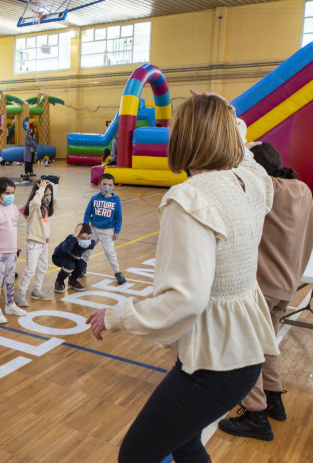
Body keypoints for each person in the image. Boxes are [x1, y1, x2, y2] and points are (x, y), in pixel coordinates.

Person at [86, 92, 279, 463]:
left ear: (184, 138)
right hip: (242, 353)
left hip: (217, 362)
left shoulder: (189, 198)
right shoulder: (251, 181)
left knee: (137, 453)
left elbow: (186, 298)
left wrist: (118, 316)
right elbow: (248, 154)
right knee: (185, 442)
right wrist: (231, 118)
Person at [218, 142, 313, 441]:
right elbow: (310, 237)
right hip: (286, 285)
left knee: (245, 351)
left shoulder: (259, 190)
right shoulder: (302, 190)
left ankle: (256, 414)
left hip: (259, 286)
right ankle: (273, 398)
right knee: (266, 345)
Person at [0, 177, 26, 323]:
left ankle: (10, 305)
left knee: (9, 279)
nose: (11, 196)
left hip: (11, 251)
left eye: (12, 192)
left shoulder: (13, 208)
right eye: (8, 193)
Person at [82, 173, 126, 284]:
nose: (107, 187)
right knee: (87, 249)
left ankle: (117, 272)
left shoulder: (116, 200)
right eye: (104, 184)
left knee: (110, 252)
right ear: (99, 185)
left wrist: (117, 231)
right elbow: (87, 213)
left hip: (107, 231)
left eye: (109, 185)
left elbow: (118, 217)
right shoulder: (94, 199)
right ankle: (82, 267)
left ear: (113, 186)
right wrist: (86, 227)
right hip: (93, 229)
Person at [16, 179, 54, 307]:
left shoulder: (45, 209)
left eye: (49, 195)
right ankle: (21, 293)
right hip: (33, 243)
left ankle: (36, 290)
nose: (47, 197)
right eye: (45, 194)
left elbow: (45, 225)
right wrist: (41, 189)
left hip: (43, 243)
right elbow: (36, 201)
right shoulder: (34, 206)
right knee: (30, 269)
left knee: (42, 268)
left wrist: (47, 237)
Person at [52, 223, 95, 293]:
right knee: (70, 265)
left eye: (89, 238)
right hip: (59, 257)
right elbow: (66, 249)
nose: (86, 241)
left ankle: (72, 280)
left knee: (83, 264)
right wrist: (74, 236)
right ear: (77, 236)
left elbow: (91, 245)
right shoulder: (71, 239)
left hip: (72, 259)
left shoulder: (89, 243)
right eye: (83, 238)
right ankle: (59, 280)